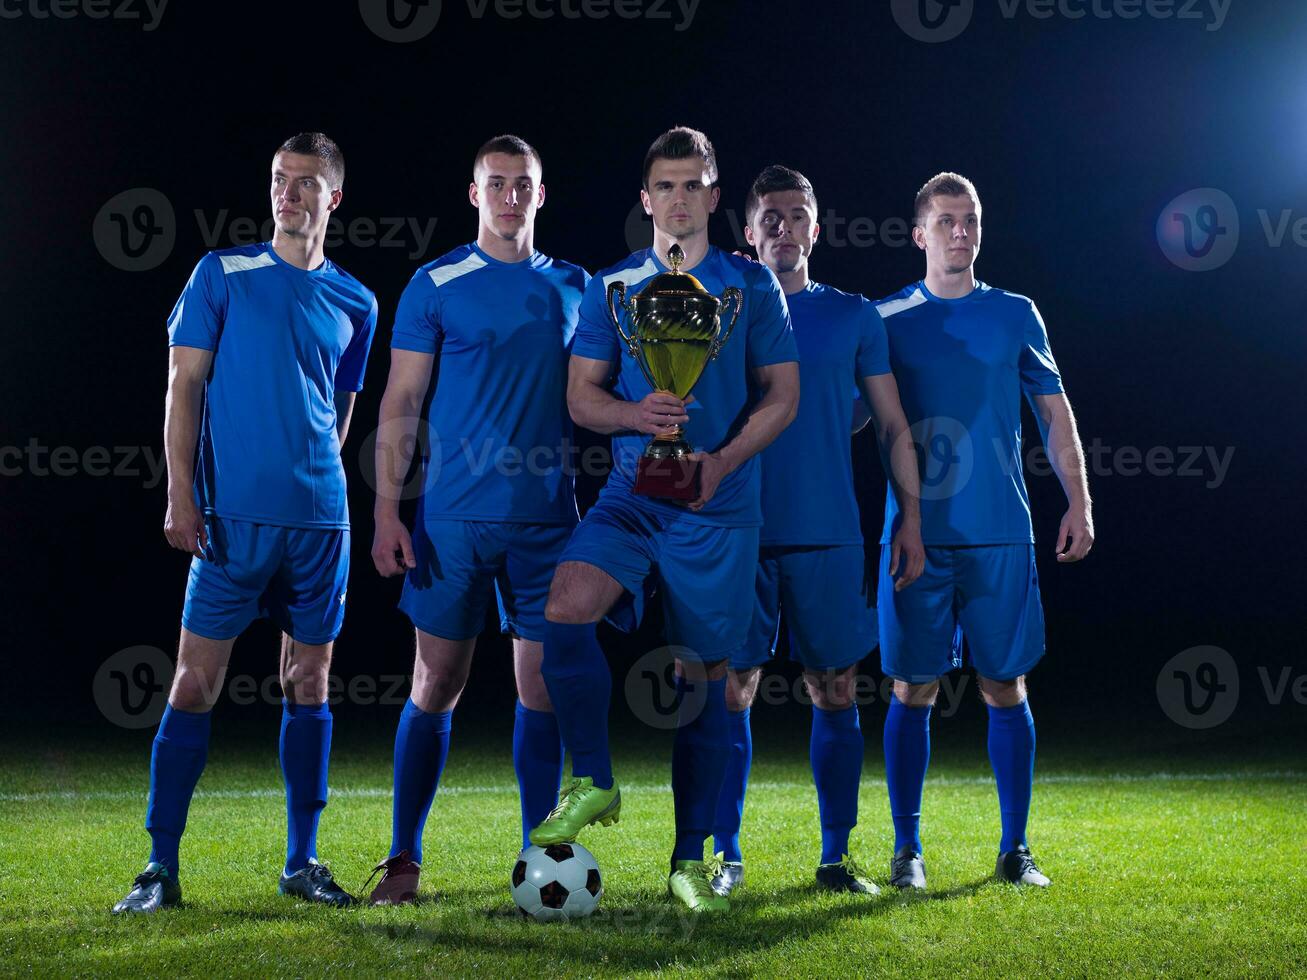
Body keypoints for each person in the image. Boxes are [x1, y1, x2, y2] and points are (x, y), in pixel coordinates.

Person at [527, 127, 800, 914]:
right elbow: (581, 397)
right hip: (632, 496)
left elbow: (781, 395)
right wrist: (631, 413)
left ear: (714, 198)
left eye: (693, 186)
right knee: (563, 607)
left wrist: (720, 460)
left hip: (717, 505)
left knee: (701, 685)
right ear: (645, 200)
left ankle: (688, 859)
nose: (679, 201)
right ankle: (596, 779)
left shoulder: (750, 286)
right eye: (665, 188)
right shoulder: (610, 287)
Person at [113, 133, 377, 914]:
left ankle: (302, 862)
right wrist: (180, 495)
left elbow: (342, 414)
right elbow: (182, 387)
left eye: (304, 183)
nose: (287, 194)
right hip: (229, 521)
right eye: (277, 180)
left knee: (309, 679)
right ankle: (160, 868)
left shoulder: (357, 299)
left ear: (333, 197)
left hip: (321, 526)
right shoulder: (220, 273)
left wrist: (313, 483)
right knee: (194, 683)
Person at [365, 135, 589, 905]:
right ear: (473, 194)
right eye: (495, 184)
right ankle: (402, 860)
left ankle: (542, 864)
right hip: (451, 520)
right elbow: (399, 402)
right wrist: (387, 511)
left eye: (521, 183)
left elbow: (596, 394)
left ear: (540, 193)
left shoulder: (576, 286)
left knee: (542, 689)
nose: (508, 196)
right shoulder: (435, 282)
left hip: (547, 523)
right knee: (436, 680)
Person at [708, 166, 924, 898]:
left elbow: (889, 424)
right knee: (732, 687)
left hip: (828, 531)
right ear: (748, 231)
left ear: (816, 227)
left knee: (834, 687)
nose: (782, 226)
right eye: (768, 215)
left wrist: (912, 517)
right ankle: (725, 857)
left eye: (795, 214)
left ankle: (835, 858)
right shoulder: (719, 311)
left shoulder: (853, 316)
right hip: (736, 529)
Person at [875, 172, 1094, 891]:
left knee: (1005, 684)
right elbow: (840, 414)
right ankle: (907, 852)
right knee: (912, 688)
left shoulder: (1015, 314)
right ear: (918, 234)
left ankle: (1015, 849)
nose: (960, 233)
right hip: (914, 535)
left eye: (969, 220)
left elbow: (1054, 416)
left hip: (998, 530)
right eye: (945, 222)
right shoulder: (885, 319)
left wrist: (1078, 502)